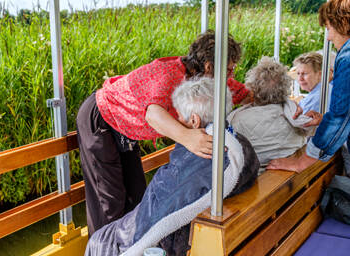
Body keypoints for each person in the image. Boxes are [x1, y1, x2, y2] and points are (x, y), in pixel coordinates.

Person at [76, 30, 250, 236]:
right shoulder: (167, 73)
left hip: (127, 129)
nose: (231, 76)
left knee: (137, 197)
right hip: (101, 118)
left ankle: (133, 252)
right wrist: (189, 138)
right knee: (109, 202)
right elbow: (153, 114)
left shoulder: (210, 80)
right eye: (229, 70)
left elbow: (244, 94)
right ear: (209, 66)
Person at [83, 77, 260, 256]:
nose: (177, 121)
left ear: (194, 121)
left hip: (176, 245)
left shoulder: (204, 156)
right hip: (223, 233)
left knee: (99, 241)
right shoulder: (239, 143)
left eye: (180, 117)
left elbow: (159, 216)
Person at [267, 0, 350, 173]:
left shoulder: (348, 57)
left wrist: (301, 162)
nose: (328, 37)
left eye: (329, 28)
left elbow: (341, 116)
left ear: (342, 22)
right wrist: (324, 121)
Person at [227, 56, 314, 170]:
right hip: (293, 179)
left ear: (252, 87)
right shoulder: (295, 116)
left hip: (257, 180)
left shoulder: (237, 120)